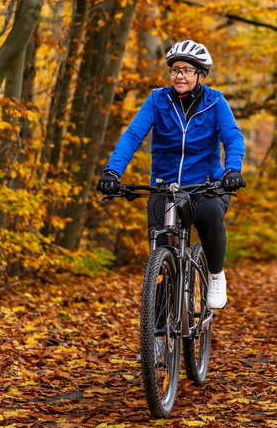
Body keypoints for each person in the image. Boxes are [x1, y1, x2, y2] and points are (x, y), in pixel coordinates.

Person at [97, 39, 245, 309]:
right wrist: (112, 172)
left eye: (187, 70)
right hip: (166, 188)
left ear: (200, 75)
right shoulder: (158, 100)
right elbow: (132, 136)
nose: (180, 75)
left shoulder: (215, 102)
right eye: (175, 69)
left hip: (207, 186)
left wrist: (233, 169)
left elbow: (232, 137)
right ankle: (157, 339)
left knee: (210, 215)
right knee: (162, 262)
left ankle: (215, 275)